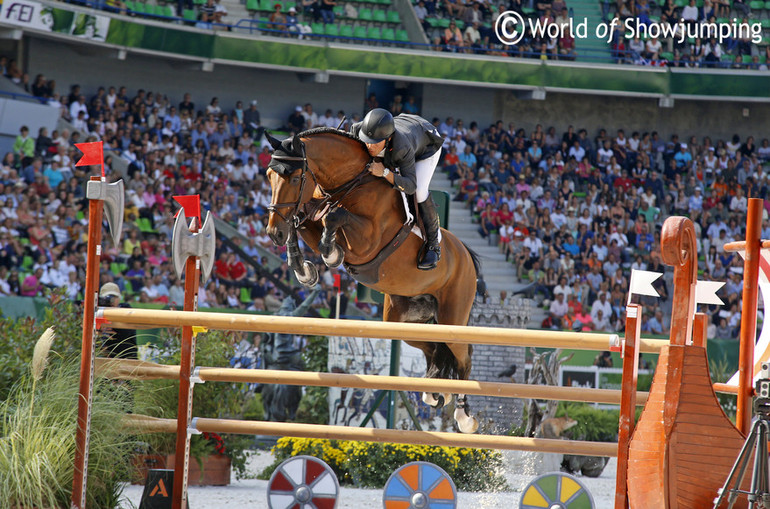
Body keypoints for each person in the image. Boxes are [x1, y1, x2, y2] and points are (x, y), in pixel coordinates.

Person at [350, 108, 445, 270]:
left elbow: (410, 186)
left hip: (427, 144)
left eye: (374, 143)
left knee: (420, 191)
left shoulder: (402, 147)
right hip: (404, 123)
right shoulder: (359, 130)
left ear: (387, 139)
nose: (368, 146)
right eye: (366, 140)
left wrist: (385, 173)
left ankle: (433, 245)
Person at [98, 282, 137, 359]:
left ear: (119, 298)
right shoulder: (99, 312)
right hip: (105, 358)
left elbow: (125, 333)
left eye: (114, 297)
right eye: (108, 297)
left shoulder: (126, 309)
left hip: (126, 357)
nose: (111, 300)